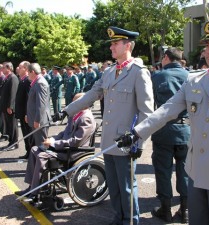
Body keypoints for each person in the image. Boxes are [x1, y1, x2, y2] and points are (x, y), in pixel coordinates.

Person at [117, 21, 209, 225]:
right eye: (207, 46)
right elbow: (167, 110)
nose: (208, 52)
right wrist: (137, 132)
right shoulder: (194, 81)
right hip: (195, 172)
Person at [61, 26, 154, 225]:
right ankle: (118, 217)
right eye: (111, 43)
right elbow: (92, 95)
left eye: (115, 43)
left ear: (127, 45)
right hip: (109, 140)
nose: (111, 47)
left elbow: (147, 111)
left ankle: (131, 220)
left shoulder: (139, 72)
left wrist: (140, 143)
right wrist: (67, 110)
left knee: (127, 186)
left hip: (127, 141)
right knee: (113, 184)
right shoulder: (110, 72)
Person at [15, 92, 96, 199]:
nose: (72, 105)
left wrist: (54, 144)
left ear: (83, 103)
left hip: (74, 151)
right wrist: (52, 139)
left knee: (41, 156)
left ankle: (36, 191)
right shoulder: (75, 114)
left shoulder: (86, 118)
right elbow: (64, 133)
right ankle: (31, 187)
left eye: (75, 102)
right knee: (34, 149)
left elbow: (75, 141)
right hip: (65, 147)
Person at [150, 47, 190, 223]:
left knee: (163, 171)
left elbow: (149, 103)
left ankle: (165, 210)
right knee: (186, 172)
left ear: (166, 58)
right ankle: (185, 210)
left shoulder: (157, 76)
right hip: (186, 131)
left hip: (163, 130)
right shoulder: (191, 76)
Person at [26, 63, 51, 146]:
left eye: (28, 72)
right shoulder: (37, 82)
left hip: (40, 120)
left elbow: (41, 104)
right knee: (38, 144)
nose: (27, 75)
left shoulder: (40, 83)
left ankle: (41, 159)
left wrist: (37, 120)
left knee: (42, 145)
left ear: (32, 72)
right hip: (36, 119)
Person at [15, 61, 34, 159]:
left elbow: (28, 98)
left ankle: (30, 153)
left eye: (20, 67)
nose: (18, 69)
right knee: (25, 133)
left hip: (25, 113)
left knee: (28, 133)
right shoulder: (22, 80)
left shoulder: (27, 81)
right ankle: (28, 152)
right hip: (22, 113)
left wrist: (27, 113)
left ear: (26, 69)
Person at [0, 62, 19, 150]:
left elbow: (13, 94)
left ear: (8, 68)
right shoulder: (7, 78)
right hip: (6, 106)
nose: (2, 69)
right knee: (9, 125)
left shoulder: (13, 78)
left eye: (3, 68)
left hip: (10, 107)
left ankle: (14, 143)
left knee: (13, 125)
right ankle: (11, 142)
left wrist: (10, 106)